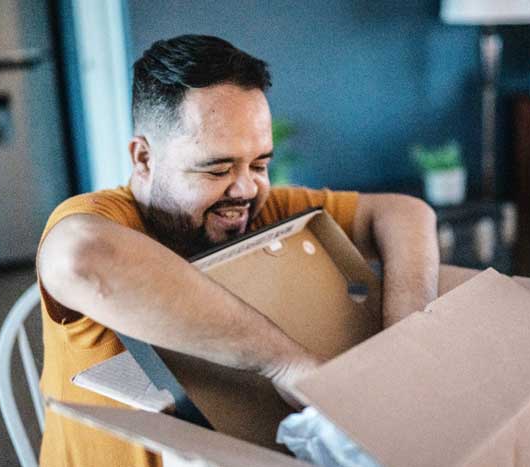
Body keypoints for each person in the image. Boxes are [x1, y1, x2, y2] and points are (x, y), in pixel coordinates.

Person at [37, 34, 439, 467]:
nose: (247, 188)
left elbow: (406, 214)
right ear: (144, 160)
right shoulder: (100, 218)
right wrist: (287, 365)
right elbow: (78, 258)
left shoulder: (259, 208)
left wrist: (407, 340)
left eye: (260, 164)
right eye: (217, 168)